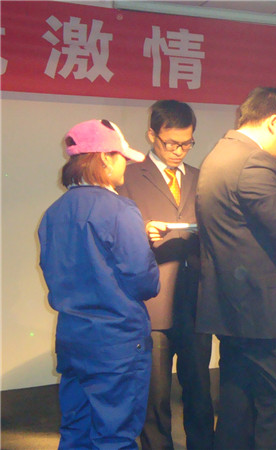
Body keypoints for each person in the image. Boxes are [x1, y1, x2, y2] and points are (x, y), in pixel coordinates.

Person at [195, 87, 276, 449]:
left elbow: (250, 235)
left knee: (237, 409)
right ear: (272, 122)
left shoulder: (217, 156)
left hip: (232, 309)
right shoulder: (255, 162)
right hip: (266, 315)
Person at [38, 119, 160, 449]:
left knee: (75, 431)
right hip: (117, 344)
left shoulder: (53, 213)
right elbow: (145, 282)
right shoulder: (120, 209)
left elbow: (54, 274)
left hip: (73, 340)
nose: (125, 166)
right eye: (122, 157)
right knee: (115, 437)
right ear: (105, 158)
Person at [116, 100, 214, 449]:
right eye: (170, 143)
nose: (178, 151)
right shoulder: (128, 177)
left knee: (200, 389)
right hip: (152, 302)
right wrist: (141, 232)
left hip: (196, 301)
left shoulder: (201, 178)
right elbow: (113, 236)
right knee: (154, 396)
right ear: (151, 135)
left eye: (187, 144)